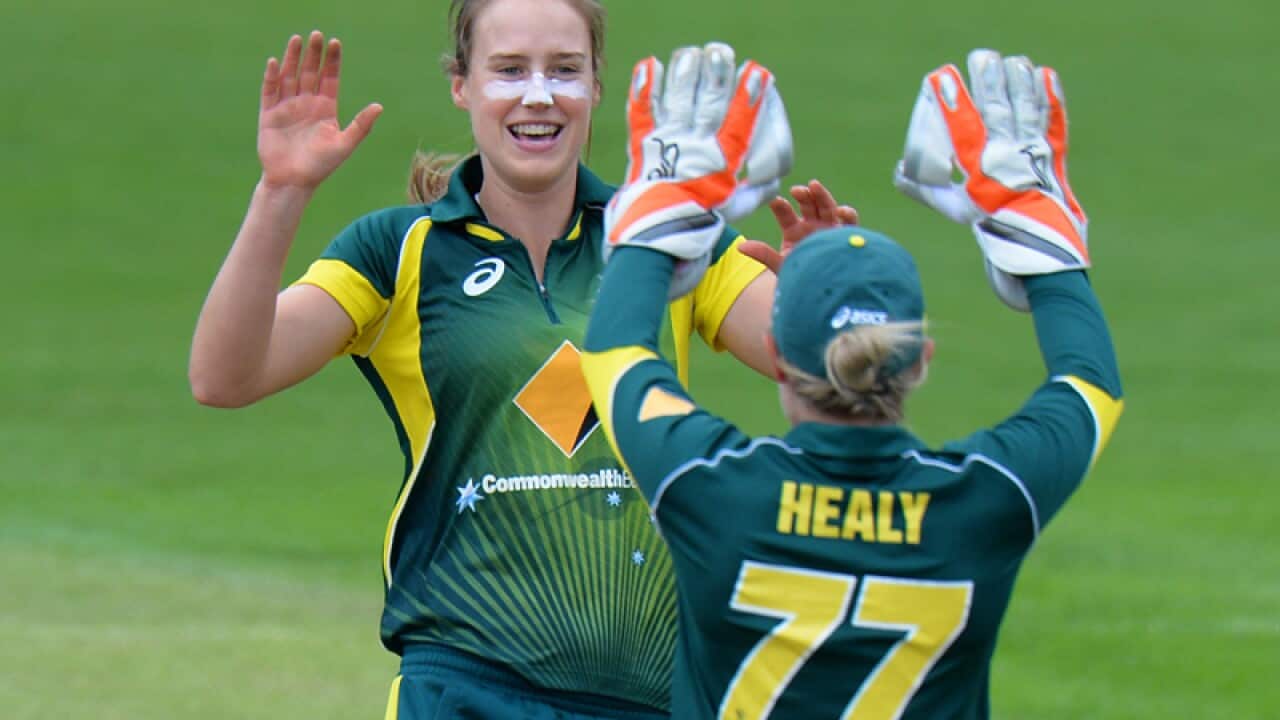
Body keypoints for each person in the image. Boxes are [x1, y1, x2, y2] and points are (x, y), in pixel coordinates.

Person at [188, 1, 854, 717]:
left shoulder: (670, 239)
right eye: (508, 70)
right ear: (461, 84)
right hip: (465, 689)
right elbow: (225, 376)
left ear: (598, 85)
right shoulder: (398, 252)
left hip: (656, 694)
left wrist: (833, 286)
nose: (539, 96)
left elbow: (830, 374)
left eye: (564, 70)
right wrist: (283, 191)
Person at [582, 49, 1124, 718]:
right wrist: (1039, 230)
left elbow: (612, 352)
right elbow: (1089, 383)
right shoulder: (990, 499)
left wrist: (665, 208)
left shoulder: (710, 488)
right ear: (921, 358)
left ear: (776, 352)